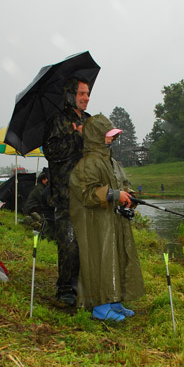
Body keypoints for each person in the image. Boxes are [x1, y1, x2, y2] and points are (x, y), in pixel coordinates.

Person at [69, 114, 144, 322]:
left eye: (112, 135)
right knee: (98, 260)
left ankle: (114, 301)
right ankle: (100, 307)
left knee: (117, 258)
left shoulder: (110, 161)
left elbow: (123, 183)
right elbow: (86, 193)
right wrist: (113, 195)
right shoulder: (87, 163)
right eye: (107, 135)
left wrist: (129, 196)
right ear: (95, 136)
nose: (111, 138)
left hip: (113, 221)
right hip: (94, 225)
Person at [43, 77, 91, 306]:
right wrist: (76, 136)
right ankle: (65, 289)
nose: (86, 98)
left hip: (89, 192)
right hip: (65, 193)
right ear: (71, 95)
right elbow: (51, 152)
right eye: (82, 93)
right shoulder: (58, 121)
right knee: (69, 243)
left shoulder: (91, 120)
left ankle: (86, 285)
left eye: (88, 93)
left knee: (88, 242)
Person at [23, 170, 54, 236]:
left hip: (34, 207)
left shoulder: (40, 187)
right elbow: (43, 201)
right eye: (46, 179)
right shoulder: (40, 189)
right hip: (32, 208)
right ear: (43, 180)